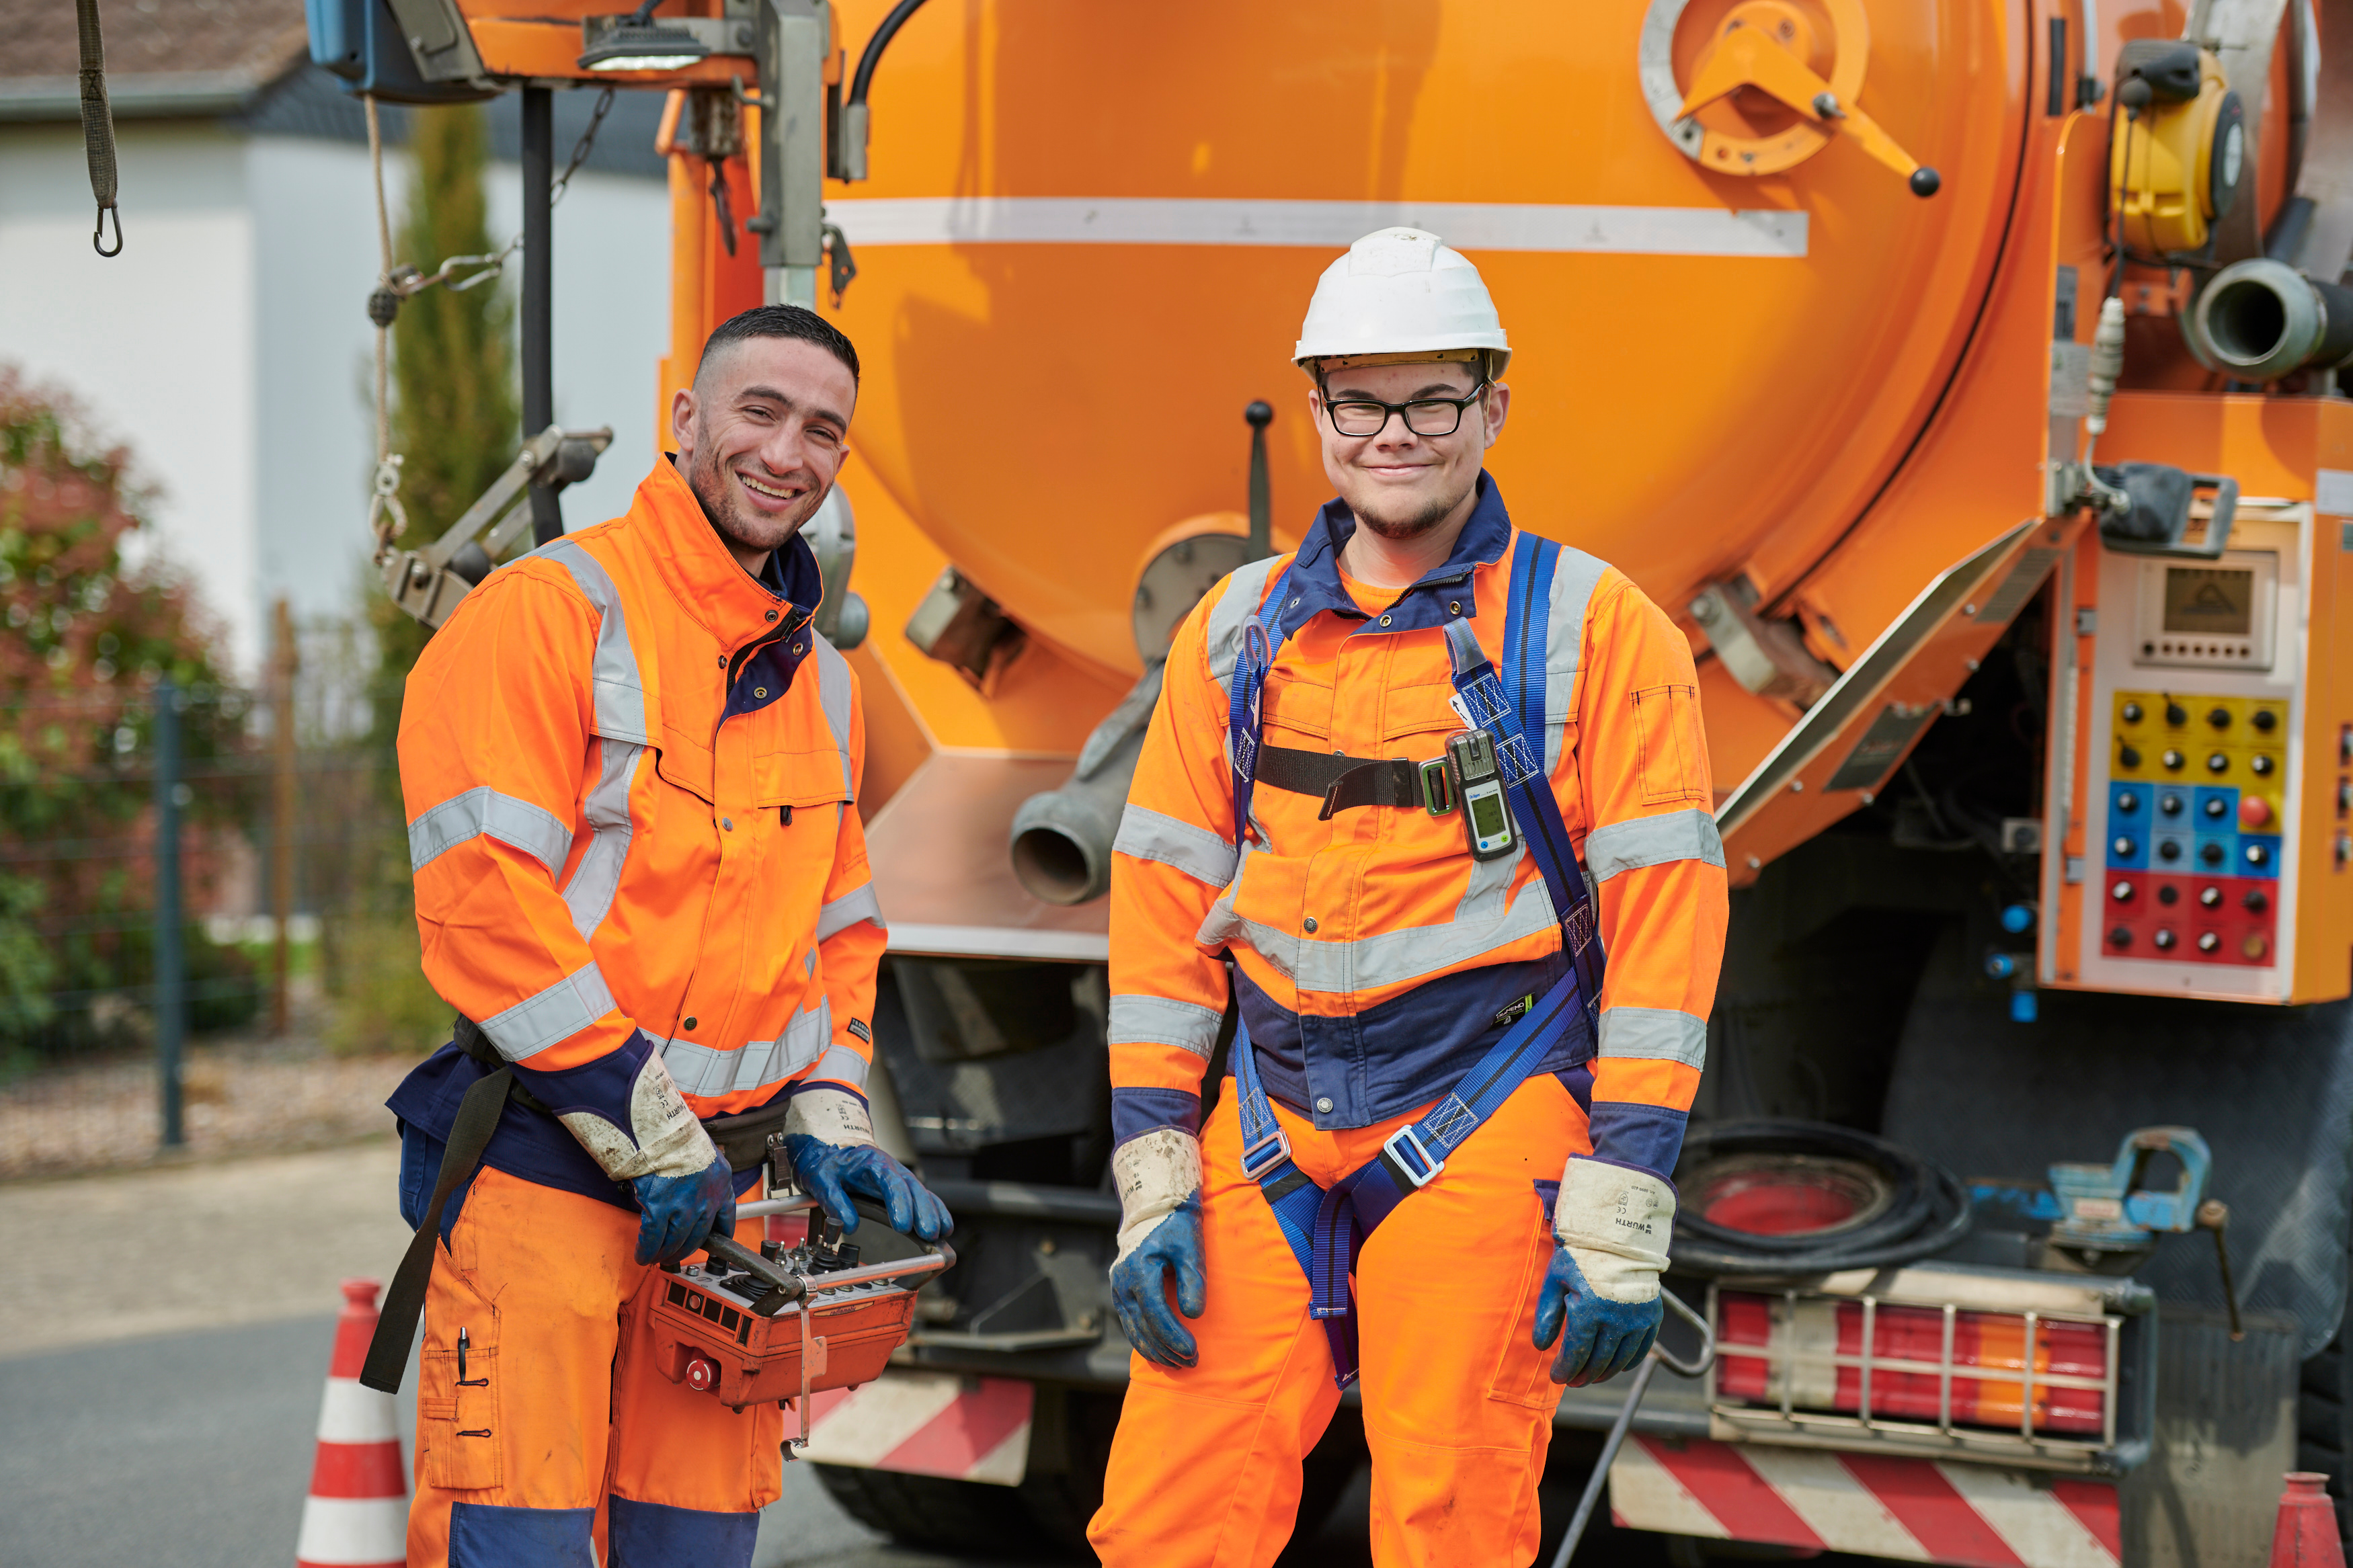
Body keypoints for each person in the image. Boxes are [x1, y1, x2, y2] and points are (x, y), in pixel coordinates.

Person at [1087, 229, 1729, 1567]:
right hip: (1262, 1124)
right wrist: (1155, 1175)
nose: (1396, 432)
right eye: (1361, 400)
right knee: (1164, 1522)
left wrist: (1620, 1216)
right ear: (1316, 411)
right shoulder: (1235, 631)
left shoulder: (1597, 630)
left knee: (1449, 1527)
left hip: (1484, 1119)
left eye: (1431, 398)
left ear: (1491, 406)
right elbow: (1157, 919)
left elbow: (1667, 934)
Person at [376, 304, 952, 1567]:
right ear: (683, 419)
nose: (788, 453)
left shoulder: (830, 684)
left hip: (727, 1210)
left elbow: (840, 930)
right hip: (545, 1180)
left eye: (823, 432)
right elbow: (484, 900)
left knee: (694, 1547)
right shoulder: (548, 615)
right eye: (760, 412)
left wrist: (834, 1110)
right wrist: (646, 1125)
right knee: (512, 1541)